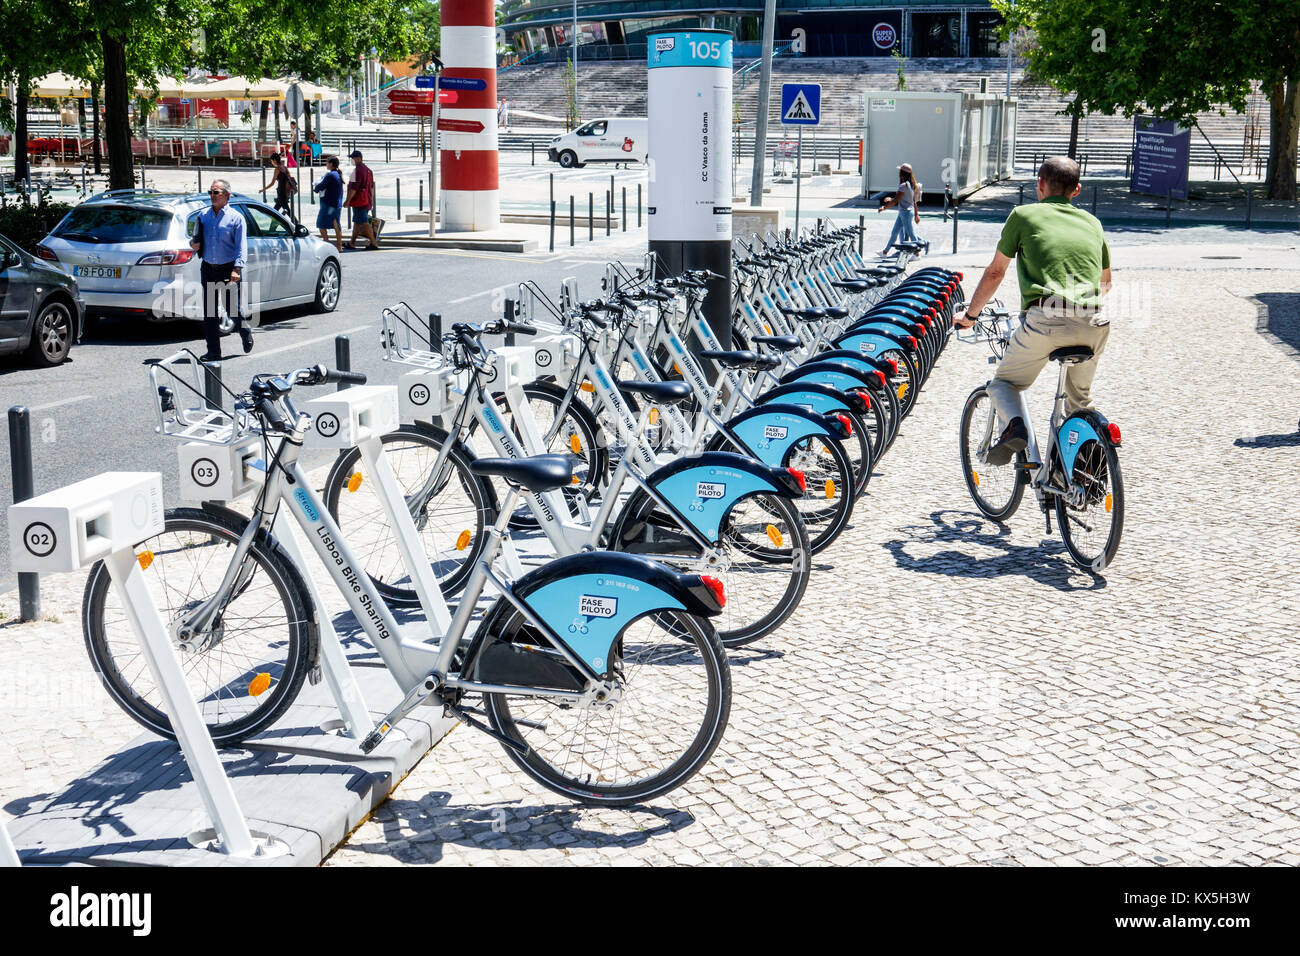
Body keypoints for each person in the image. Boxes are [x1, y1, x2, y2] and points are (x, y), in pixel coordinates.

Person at [954, 156, 1113, 465]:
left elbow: (995, 274)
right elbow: (1106, 283)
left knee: (1003, 384)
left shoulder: (1023, 215)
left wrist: (970, 317)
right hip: (1095, 320)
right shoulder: (1093, 222)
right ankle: (1086, 468)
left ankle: (1015, 428)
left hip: (1046, 318)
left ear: (1040, 185)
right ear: (1076, 190)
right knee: (1079, 403)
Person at [190, 179, 251, 361]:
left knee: (231, 308)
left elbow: (242, 246)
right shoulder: (203, 216)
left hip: (228, 269)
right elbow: (194, 238)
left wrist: (237, 269)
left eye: (216, 192)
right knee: (210, 312)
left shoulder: (236, 218)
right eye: (210, 192)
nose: (212, 196)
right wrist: (193, 244)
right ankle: (213, 351)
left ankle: (244, 329)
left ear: (226, 195)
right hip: (208, 267)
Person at [878, 162, 921, 255]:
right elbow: (911, 200)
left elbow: (896, 201)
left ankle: (917, 254)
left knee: (911, 234)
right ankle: (885, 252)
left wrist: (884, 208)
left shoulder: (903, 186)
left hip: (905, 213)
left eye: (900, 171)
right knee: (894, 233)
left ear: (902, 173)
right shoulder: (911, 184)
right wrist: (916, 214)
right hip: (906, 212)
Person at [343, 149, 379, 250]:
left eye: (353, 158)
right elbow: (372, 187)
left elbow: (353, 188)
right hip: (366, 200)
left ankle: (373, 243)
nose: (351, 160)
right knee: (357, 222)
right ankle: (352, 243)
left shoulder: (357, 171)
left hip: (358, 201)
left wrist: (347, 200)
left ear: (358, 158)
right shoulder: (368, 170)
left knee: (363, 221)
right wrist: (370, 199)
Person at [314, 155, 344, 251]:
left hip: (329, 205)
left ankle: (327, 244)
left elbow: (321, 186)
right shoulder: (338, 174)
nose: (326, 164)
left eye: (327, 162)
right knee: (336, 224)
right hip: (337, 204)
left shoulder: (330, 175)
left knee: (321, 224)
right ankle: (339, 247)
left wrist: (315, 187)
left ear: (331, 164)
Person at [262, 152, 296, 222]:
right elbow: (289, 178)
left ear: (274, 160)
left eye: (271, 161)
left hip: (281, 193)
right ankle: (272, 227)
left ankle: (297, 225)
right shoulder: (284, 167)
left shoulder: (277, 169)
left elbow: (272, 183)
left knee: (286, 212)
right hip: (286, 192)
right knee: (275, 211)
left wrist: (263, 189)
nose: (271, 163)